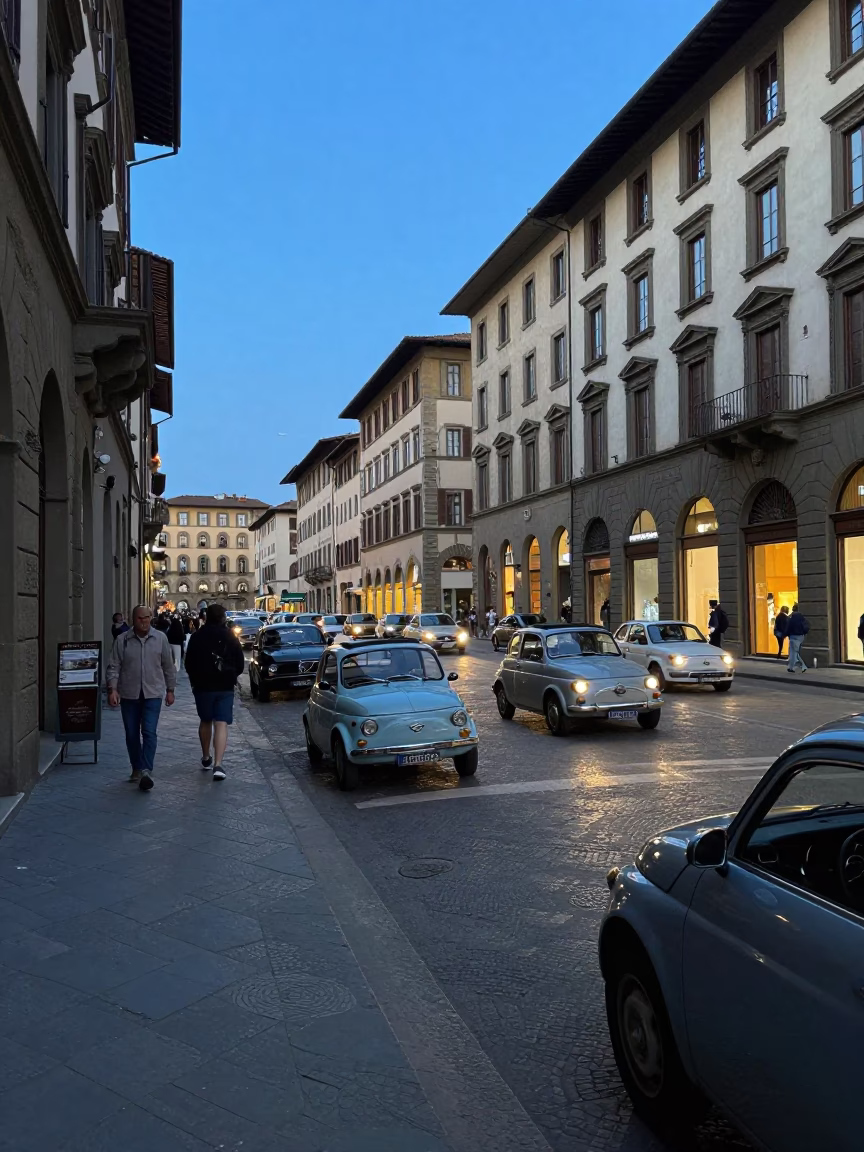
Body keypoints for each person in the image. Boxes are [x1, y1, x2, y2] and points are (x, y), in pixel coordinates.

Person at [106, 604, 176, 790]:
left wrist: (170, 689)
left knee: (149, 731)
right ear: (132, 619)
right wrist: (112, 689)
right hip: (129, 694)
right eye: (140, 618)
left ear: (151, 618)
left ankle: (146, 769)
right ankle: (136, 767)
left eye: (146, 618)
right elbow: (114, 666)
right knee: (131, 734)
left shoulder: (160, 638)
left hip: (153, 693)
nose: (143, 622)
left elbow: (168, 666)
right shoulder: (122, 640)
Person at [183, 603, 245, 781]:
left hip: (202, 686)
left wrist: (195, 680)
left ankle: (206, 757)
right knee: (222, 723)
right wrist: (231, 674)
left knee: (205, 720)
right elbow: (240, 663)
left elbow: (189, 663)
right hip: (224, 686)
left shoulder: (197, 637)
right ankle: (218, 764)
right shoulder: (230, 637)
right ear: (223, 618)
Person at [786, 603, 809, 673]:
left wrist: (787, 634)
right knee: (794, 652)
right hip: (800, 636)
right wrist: (804, 633)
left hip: (793, 636)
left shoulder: (791, 618)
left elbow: (788, 627)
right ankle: (791, 667)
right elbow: (806, 626)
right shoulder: (801, 618)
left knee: (794, 652)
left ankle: (801, 666)